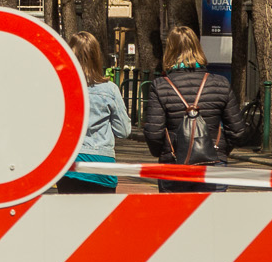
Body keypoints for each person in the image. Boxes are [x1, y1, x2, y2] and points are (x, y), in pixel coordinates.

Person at [143, 24, 241, 192]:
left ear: (169, 51)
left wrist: (165, 152)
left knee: (176, 216)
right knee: (211, 216)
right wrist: (219, 149)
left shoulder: (160, 86)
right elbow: (238, 130)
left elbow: (154, 133)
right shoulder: (220, 84)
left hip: (174, 164)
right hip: (214, 164)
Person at [58, 32, 130, 191]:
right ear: (97, 56)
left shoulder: (62, 88)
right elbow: (123, 131)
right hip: (102, 166)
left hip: (71, 165)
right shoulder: (110, 90)